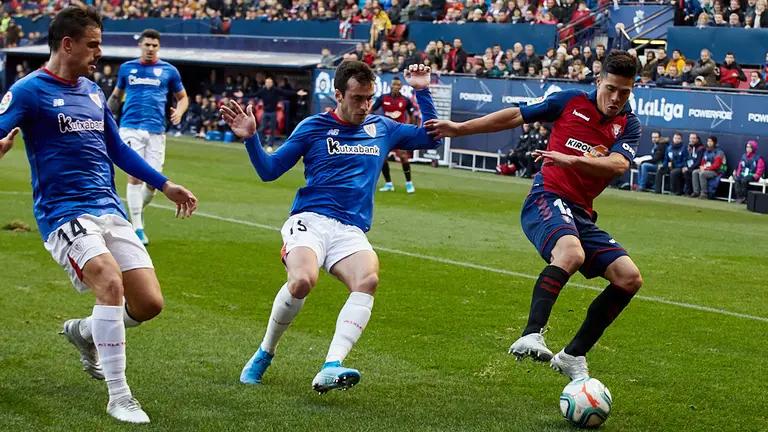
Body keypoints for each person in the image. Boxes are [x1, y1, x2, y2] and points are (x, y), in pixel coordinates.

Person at [0, 6, 197, 424]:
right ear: (67, 44)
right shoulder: (29, 90)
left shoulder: (91, 90)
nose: (99, 52)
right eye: (93, 44)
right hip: (63, 212)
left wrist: (164, 184)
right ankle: (119, 395)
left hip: (107, 207)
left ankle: (87, 330)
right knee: (109, 281)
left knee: (149, 303)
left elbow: (118, 148)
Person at [425, 51, 644, 381]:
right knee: (571, 253)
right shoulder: (568, 101)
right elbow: (515, 115)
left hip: (581, 213)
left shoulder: (630, 124)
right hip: (548, 196)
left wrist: (571, 160)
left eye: (624, 92)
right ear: (598, 80)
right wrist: (460, 128)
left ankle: (573, 355)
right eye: (611, 88)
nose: (616, 98)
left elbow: (618, 165)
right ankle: (531, 334)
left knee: (629, 278)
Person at [224, 62, 441, 393]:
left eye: (369, 98)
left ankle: (331, 365)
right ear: (338, 94)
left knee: (368, 279)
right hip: (310, 220)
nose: (364, 106)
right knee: (302, 281)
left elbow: (430, 137)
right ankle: (265, 353)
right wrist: (252, 139)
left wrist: (422, 90)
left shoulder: (383, 127)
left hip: (350, 229)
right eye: (357, 98)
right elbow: (270, 171)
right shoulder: (313, 127)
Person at [107, 29, 189, 246]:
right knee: (135, 175)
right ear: (140, 45)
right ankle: (137, 229)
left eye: (154, 46)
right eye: (147, 45)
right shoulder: (127, 68)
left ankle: (137, 211)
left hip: (156, 130)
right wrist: (103, 117)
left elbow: (182, 98)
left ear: (158, 47)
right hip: (130, 127)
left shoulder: (169, 71)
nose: (150, 49)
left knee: (153, 181)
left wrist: (179, 112)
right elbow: (117, 96)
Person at [369, 76, 417, 193]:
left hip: (399, 132)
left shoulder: (405, 100)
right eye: (394, 85)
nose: (395, 87)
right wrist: (375, 124)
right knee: (383, 158)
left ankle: (409, 183)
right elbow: (371, 111)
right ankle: (389, 183)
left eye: (398, 85)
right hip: (385, 132)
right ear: (391, 86)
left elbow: (412, 116)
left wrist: (405, 127)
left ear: (401, 87)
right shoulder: (383, 98)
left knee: (403, 157)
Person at [251, 76, 308, 151]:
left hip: (273, 112)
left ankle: (270, 145)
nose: (268, 84)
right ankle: (261, 144)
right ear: (265, 83)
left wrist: (297, 93)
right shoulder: (263, 90)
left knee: (272, 129)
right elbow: (254, 94)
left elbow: (286, 92)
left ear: (272, 83)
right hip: (265, 112)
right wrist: (243, 95)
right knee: (262, 128)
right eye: (267, 82)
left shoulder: (276, 90)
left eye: (270, 82)